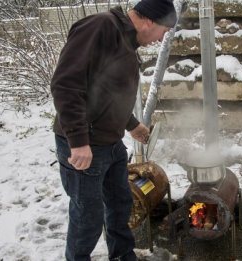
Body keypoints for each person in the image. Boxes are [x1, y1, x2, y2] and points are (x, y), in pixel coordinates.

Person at [50, 0, 177, 260]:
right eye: (164, 30)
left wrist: (131, 124)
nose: (161, 38)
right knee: (88, 216)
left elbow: (107, 93)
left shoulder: (126, 41)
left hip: (110, 143)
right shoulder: (100, 27)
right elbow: (66, 85)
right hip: (85, 143)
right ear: (149, 21)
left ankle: (122, 255)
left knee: (121, 204)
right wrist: (78, 141)